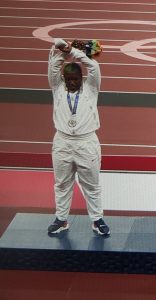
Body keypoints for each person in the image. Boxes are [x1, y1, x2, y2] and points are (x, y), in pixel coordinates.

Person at [47, 38, 110, 236]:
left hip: (86, 142)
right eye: (69, 79)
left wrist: (73, 51)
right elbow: (53, 66)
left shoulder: (91, 89)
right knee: (62, 183)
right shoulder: (57, 88)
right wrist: (63, 51)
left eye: (76, 79)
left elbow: (94, 66)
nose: (72, 82)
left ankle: (97, 219)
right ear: (63, 79)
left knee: (91, 185)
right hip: (62, 142)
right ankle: (61, 219)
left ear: (82, 77)